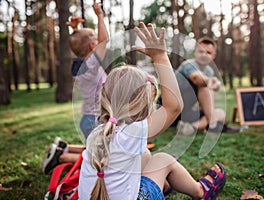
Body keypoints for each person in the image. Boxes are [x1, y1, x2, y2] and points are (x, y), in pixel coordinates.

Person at [78, 22, 226, 200]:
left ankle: (162, 184)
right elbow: (173, 107)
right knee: (164, 160)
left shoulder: (97, 133)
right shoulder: (134, 131)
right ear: (143, 103)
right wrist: (160, 56)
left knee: (145, 154)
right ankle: (202, 192)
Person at [42, 1, 108, 174]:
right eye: (94, 37)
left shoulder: (82, 64)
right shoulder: (92, 64)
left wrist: (76, 30)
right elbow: (104, 40)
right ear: (92, 46)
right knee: (101, 157)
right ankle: (60, 158)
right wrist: (99, 15)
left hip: (89, 118)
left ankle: (63, 148)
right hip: (96, 120)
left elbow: (80, 43)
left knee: (97, 148)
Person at [159, 36, 240, 135]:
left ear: (213, 55)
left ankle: (191, 127)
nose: (204, 55)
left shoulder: (209, 71)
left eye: (208, 52)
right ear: (195, 52)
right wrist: (209, 81)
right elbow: (196, 78)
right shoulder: (188, 64)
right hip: (167, 109)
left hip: (185, 112)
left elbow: (204, 103)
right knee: (204, 86)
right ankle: (213, 125)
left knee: (220, 113)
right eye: (201, 51)